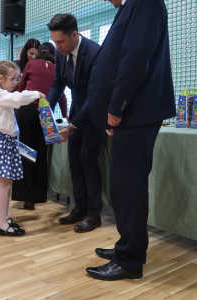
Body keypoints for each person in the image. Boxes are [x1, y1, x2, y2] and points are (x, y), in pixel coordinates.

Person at [84, 0, 176, 281]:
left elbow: (135, 56)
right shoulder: (132, 5)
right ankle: (127, 245)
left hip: (135, 112)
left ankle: (129, 260)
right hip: (130, 115)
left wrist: (116, 107)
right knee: (123, 186)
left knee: (129, 187)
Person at [47, 14, 105, 233]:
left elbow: (95, 96)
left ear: (74, 35)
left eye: (60, 42)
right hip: (77, 111)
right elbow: (58, 83)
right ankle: (79, 208)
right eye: (54, 42)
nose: (57, 47)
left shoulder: (95, 52)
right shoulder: (61, 53)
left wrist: (71, 127)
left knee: (88, 161)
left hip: (95, 112)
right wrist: (45, 108)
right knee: (74, 161)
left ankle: (94, 214)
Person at [0, 61, 46, 236]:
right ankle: (1, 224)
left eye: (17, 79)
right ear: (1, 79)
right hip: (2, 141)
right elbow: (18, 99)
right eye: (13, 79)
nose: (15, 82)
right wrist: (36, 93)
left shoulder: (1, 93)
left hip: (7, 141)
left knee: (7, 184)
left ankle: (5, 218)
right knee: (4, 185)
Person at [12, 42, 68, 210]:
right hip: (45, 112)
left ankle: (27, 197)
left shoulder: (30, 64)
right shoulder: (57, 69)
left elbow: (22, 90)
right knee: (42, 153)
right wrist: (66, 115)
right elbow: (62, 97)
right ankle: (39, 194)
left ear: (39, 54)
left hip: (28, 110)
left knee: (26, 152)